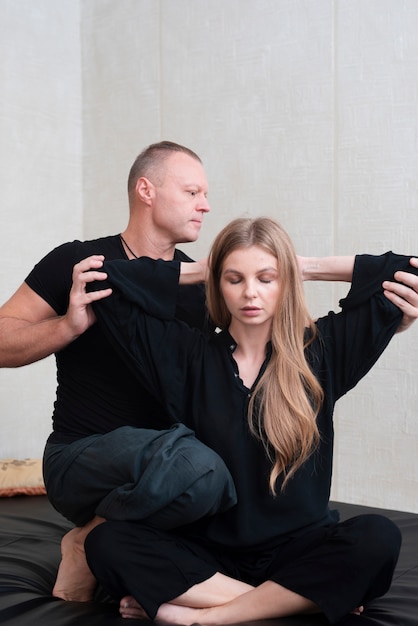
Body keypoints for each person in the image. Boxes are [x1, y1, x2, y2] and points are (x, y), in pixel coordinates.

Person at [0, 141, 417, 604]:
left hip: (181, 474)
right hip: (95, 458)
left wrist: (294, 266)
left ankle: (234, 605)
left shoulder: (295, 348)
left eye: (265, 279)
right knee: (192, 473)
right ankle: (91, 540)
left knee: (202, 471)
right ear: (147, 190)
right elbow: (107, 287)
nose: (206, 204)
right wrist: (69, 325)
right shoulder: (86, 268)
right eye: (193, 191)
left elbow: (397, 276)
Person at [82, 217, 418, 624]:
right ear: (217, 286)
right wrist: (199, 269)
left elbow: (410, 267)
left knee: (377, 537)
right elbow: (103, 281)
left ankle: (206, 617)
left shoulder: (322, 353)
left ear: (286, 283)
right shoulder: (186, 357)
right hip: (209, 557)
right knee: (107, 541)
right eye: (234, 278)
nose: (250, 292)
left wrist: (304, 266)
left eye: (267, 277)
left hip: (299, 551)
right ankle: (292, 600)